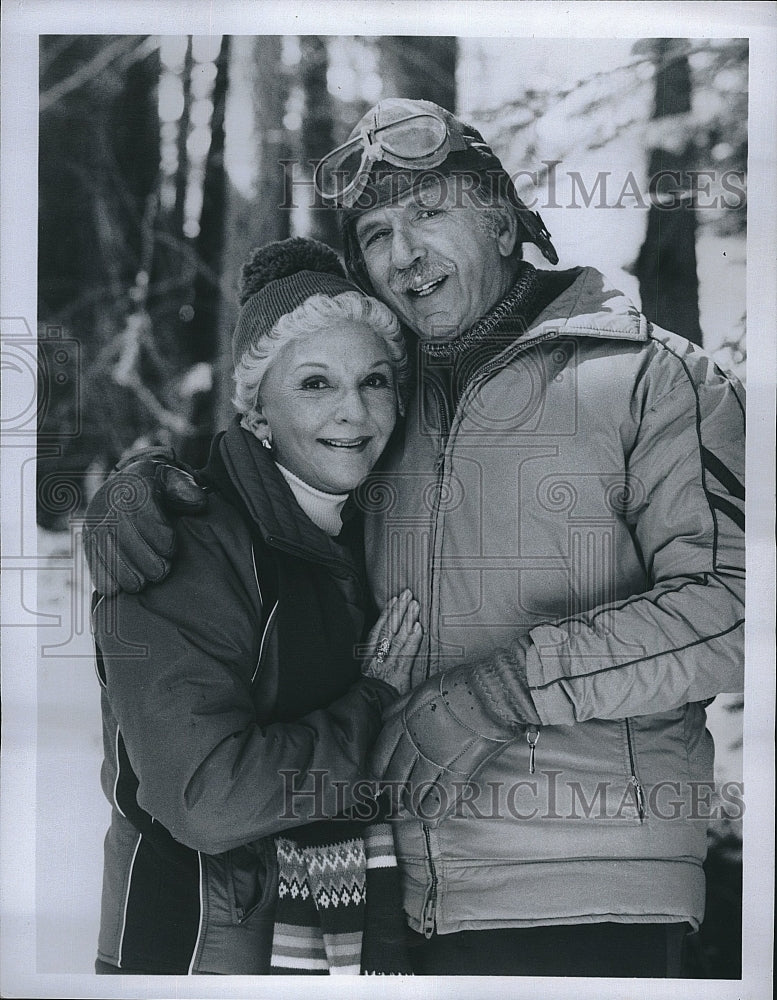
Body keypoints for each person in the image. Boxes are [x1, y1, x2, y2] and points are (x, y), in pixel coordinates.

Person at [84, 99, 745, 977]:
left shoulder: (652, 378)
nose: (402, 251)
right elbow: (276, 477)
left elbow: (739, 611)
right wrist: (142, 493)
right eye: (376, 230)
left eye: (430, 211)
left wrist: (504, 689)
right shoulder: (388, 410)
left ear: (504, 221)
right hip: (376, 913)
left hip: (579, 892)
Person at [89, 237, 423, 975]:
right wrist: (371, 704)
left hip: (329, 940)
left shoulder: (371, 530)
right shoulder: (184, 546)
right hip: (195, 953)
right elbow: (207, 798)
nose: (353, 410)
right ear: (258, 411)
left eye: (373, 380)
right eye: (314, 384)